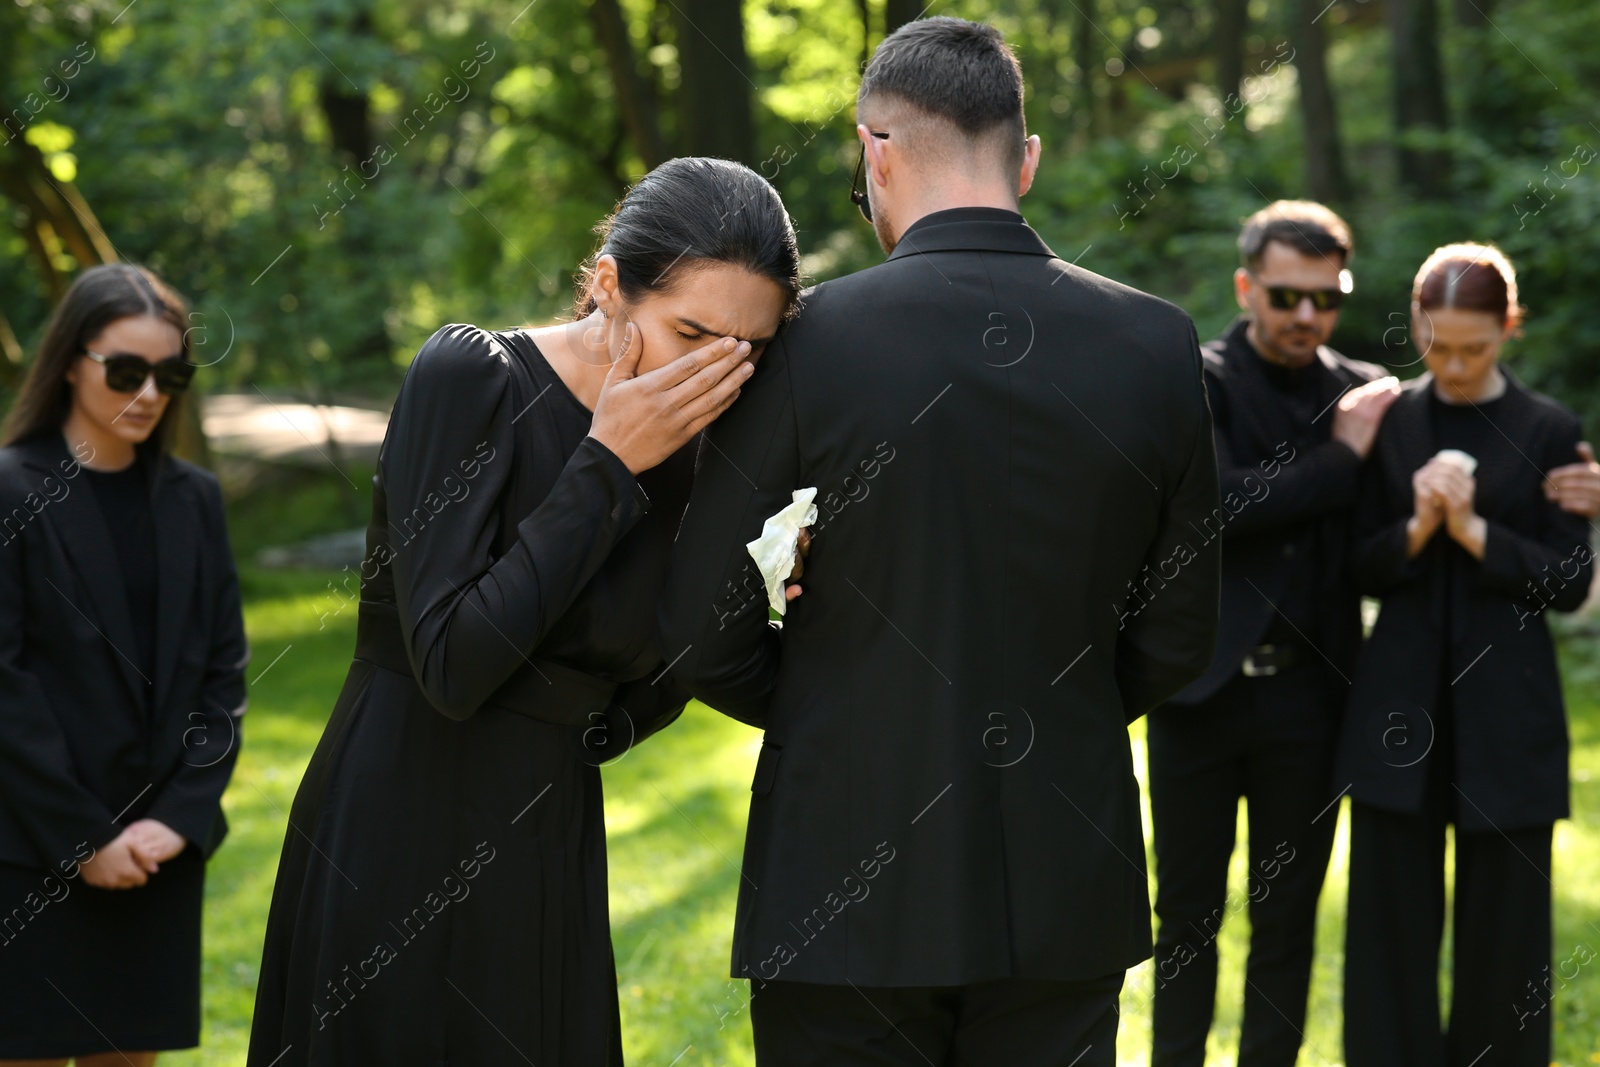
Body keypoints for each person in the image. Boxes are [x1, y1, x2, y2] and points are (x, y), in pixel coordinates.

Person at [659, 18, 1220, 1066]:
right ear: (1028, 156)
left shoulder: (806, 338)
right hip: (1064, 870)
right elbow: (1182, 630)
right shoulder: (1157, 343)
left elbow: (697, 622)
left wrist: (837, 706)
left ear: (873, 151)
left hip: (839, 867)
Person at [246, 157, 800, 1066]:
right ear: (611, 285)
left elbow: (658, 671)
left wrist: (760, 591)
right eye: (691, 331)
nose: (714, 374)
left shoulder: (708, 455)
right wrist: (607, 465)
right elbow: (453, 663)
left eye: (748, 351)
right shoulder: (472, 377)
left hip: (545, 836)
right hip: (397, 822)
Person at [1143, 201, 1396, 1067]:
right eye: (1286, 295)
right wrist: (1341, 459)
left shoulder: (1363, 393)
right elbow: (1219, 505)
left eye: (1324, 299)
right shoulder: (1196, 379)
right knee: (1187, 918)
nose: (1305, 316)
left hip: (1313, 698)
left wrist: (1561, 487)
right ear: (1247, 285)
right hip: (1198, 693)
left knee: (1287, 918)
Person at [1336, 243, 1593, 1067]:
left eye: (1473, 347)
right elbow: (1353, 562)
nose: (1451, 364)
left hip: (1509, 712)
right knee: (1388, 927)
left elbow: (1571, 576)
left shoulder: (1548, 427)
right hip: (1396, 706)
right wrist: (1417, 524)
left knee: (1508, 935)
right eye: (1437, 344)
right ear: (1417, 325)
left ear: (1508, 329)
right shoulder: (1391, 421)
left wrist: (1479, 534)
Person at [0, 263, 248, 1066]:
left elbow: (223, 672)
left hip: (156, 854)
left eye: (169, 374)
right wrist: (81, 837)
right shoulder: (8, 489)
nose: (147, 392)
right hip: (27, 847)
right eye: (126, 370)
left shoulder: (195, 498)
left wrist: (178, 817)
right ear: (73, 359)